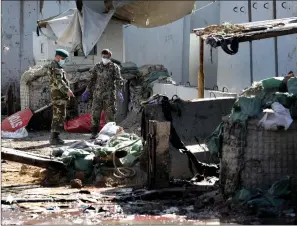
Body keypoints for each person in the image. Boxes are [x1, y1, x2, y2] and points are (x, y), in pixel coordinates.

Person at [82, 49, 124, 139]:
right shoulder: (97, 66)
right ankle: (94, 132)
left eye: (107, 57)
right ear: (101, 56)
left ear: (110, 56)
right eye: (104, 56)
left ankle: (110, 134)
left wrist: (119, 91)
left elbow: (118, 80)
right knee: (95, 113)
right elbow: (92, 79)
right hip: (97, 94)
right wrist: (87, 90)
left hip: (109, 95)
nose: (105, 58)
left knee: (110, 115)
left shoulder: (114, 67)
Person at [47, 49, 74, 145]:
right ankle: (54, 138)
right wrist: (67, 91)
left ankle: (55, 137)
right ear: (57, 56)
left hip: (59, 95)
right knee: (58, 116)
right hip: (58, 95)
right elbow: (59, 81)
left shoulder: (57, 66)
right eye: (63, 58)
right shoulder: (55, 66)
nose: (63, 60)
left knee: (59, 116)